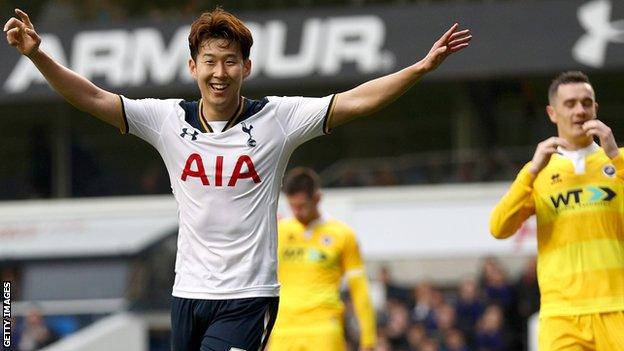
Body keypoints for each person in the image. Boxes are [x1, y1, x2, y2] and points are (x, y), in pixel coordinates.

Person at [4, 7, 471, 351]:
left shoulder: (278, 118)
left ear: (246, 68)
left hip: (248, 297)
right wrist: (38, 56)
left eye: (230, 61)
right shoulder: (166, 120)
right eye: (209, 61)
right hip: (187, 293)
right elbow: (91, 98)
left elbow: (355, 101)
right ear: (193, 68)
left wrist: (419, 68)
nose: (219, 72)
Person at [490, 71, 624, 350]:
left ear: (596, 109)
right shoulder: (538, 174)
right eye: (570, 103)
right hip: (561, 315)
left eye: (587, 103)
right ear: (553, 113)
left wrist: (616, 157)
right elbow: (499, 228)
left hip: (617, 307)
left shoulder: (618, 162)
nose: (580, 110)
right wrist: (531, 171)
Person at [267, 167, 376, 351]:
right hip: (283, 328)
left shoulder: (343, 235)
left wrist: (369, 338)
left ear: (317, 198)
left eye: (301, 206)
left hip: (324, 326)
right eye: (292, 206)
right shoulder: (278, 231)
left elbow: (359, 288)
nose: (297, 212)